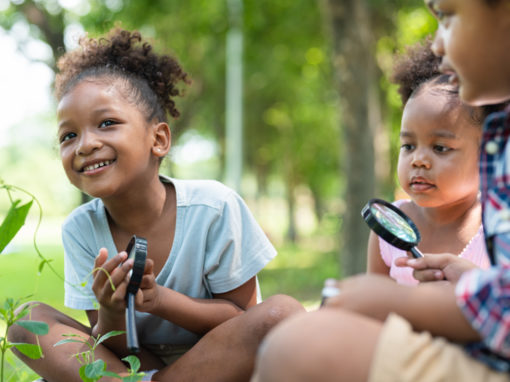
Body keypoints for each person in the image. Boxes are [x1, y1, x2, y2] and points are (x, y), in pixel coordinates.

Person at [8, 27, 304, 382]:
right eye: (68, 135)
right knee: (26, 322)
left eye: (107, 123)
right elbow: (106, 345)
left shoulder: (214, 208)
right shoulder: (81, 228)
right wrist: (111, 310)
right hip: (127, 369)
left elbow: (242, 321)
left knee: (282, 314)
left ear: (158, 139)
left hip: (214, 362)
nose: (85, 145)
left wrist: (159, 299)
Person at [251, 0, 510, 381]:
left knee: (298, 348)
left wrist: (403, 302)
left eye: (448, 17)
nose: (438, 43)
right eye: (408, 146)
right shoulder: (395, 221)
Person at [367, 40, 493, 285]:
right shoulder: (388, 226)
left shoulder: (495, 226)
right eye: (408, 146)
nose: (419, 160)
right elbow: (373, 307)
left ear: (485, 155)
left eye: (440, 148)